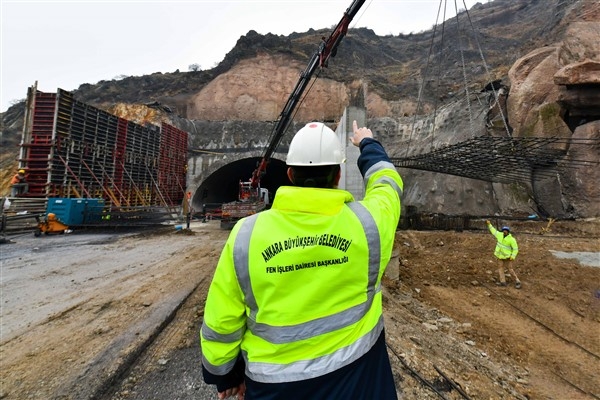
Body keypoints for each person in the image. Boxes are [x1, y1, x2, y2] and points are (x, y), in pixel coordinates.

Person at [200, 120, 403, 400]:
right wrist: (367, 143)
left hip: (275, 388)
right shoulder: (368, 225)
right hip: (360, 379)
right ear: (338, 175)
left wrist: (225, 376)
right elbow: (387, 185)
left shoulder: (246, 236)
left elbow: (221, 322)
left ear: (290, 174)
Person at [485, 220, 521, 289]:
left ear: (508, 232)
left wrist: (513, 256)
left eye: (506, 231)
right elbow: (493, 231)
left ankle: (517, 281)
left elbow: (515, 249)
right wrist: (489, 224)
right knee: (500, 269)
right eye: (503, 230)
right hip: (500, 256)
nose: (504, 231)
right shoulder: (499, 235)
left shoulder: (511, 239)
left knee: (510, 269)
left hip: (508, 257)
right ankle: (503, 282)